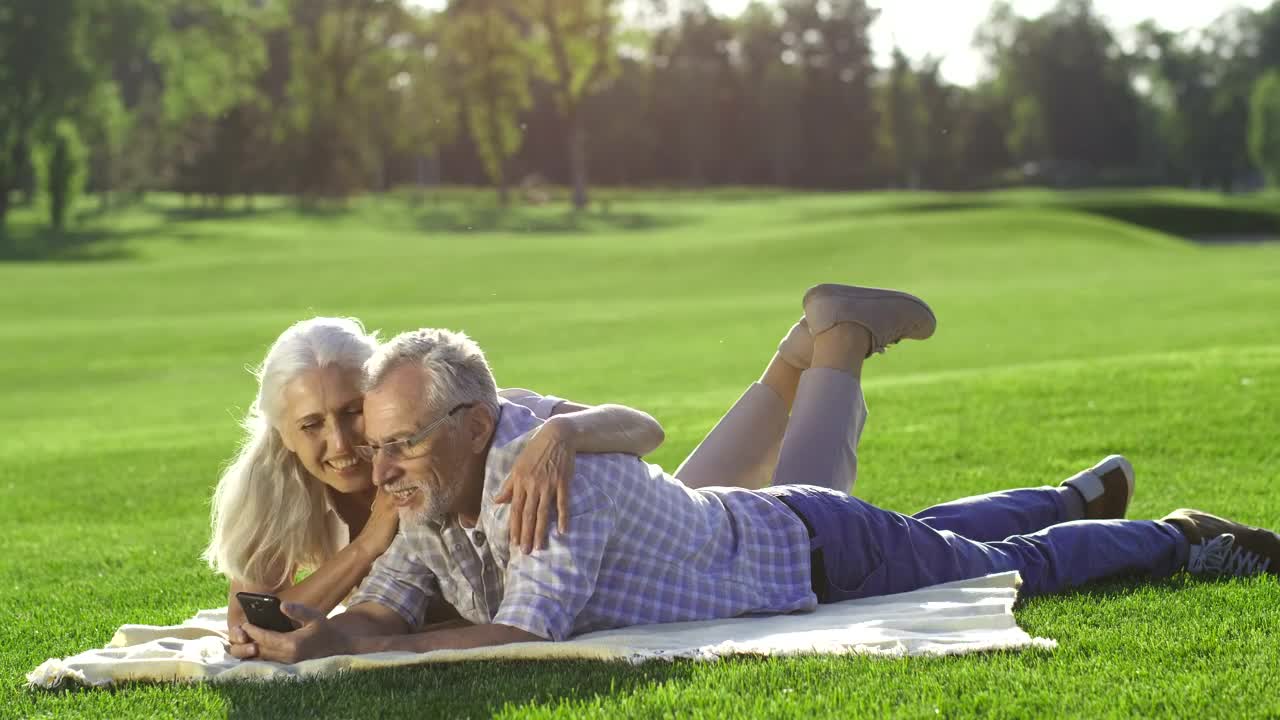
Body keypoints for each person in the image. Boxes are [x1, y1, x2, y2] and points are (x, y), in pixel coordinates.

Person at [230, 284, 1280, 663]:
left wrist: (341, 637)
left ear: (471, 427)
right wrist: (328, 634)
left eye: (396, 443)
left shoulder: (542, 484)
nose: (377, 465)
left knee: (1005, 569)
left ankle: (1177, 535)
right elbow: (394, 606)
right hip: (770, 525)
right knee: (944, 542)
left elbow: (519, 637)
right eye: (374, 446)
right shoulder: (422, 492)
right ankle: (1075, 493)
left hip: (810, 556)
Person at [203, 317, 668, 634]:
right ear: (282, 432)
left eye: (352, 412)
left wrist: (561, 432)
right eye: (310, 425)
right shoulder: (271, 485)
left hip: (637, 532)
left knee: (702, 508)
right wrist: (368, 544)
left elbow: (647, 430)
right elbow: (247, 623)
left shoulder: (466, 421)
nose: (342, 444)